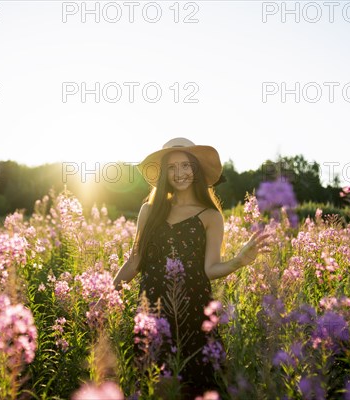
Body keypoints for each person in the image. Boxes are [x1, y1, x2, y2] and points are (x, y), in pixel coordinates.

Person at [113, 137, 270, 398]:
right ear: (164, 173)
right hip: (153, 312)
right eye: (172, 168)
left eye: (185, 166)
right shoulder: (148, 211)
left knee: (194, 389)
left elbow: (209, 269)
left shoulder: (210, 215)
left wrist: (238, 261)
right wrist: (107, 295)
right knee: (155, 387)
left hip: (195, 314)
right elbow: (134, 261)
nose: (179, 173)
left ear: (195, 169)